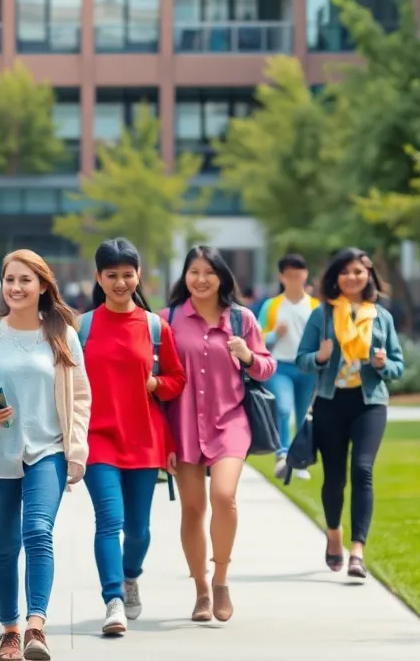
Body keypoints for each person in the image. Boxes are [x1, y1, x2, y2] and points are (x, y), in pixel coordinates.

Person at [0, 249, 91, 660]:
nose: (15, 287)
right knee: (4, 547)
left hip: (46, 452)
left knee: (37, 533)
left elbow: (81, 396)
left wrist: (76, 451)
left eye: (25, 280)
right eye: (9, 279)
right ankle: (10, 630)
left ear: (43, 286)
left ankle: (36, 626)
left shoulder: (62, 335)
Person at [161, 246, 275, 623]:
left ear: (222, 277)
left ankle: (222, 578)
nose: (201, 279)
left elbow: (266, 368)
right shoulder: (169, 319)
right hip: (183, 425)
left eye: (209, 272)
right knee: (193, 509)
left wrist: (246, 355)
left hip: (230, 422)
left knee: (224, 496)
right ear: (185, 277)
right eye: (193, 271)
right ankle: (202, 590)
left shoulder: (241, 319)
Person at [78, 238, 186, 636]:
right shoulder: (83, 327)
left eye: (128, 274)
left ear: (138, 275)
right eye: (112, 275)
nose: (121, 282)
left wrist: (156, 382)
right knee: (110, 520)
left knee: (138, 530)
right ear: (99, 278)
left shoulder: (156, 327)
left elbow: (178, 379)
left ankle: (130, 576)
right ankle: (114, 601)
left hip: (145, 440)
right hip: (98, 439)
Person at [295, 248, 405, 580]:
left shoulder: (381, 317)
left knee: (362, 469)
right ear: (335, 278)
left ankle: (357, 550)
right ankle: (333, 534)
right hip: (331, 402)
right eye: (344, 272)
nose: (352, 277)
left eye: (358, 271)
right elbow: (301, 359)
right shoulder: (323, 315)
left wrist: (385, 366)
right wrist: (320, 356)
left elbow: (399, 366)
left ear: (368, 275)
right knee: (334, 479)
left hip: (369, 403)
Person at [258, 254, 320, 481]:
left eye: (299, 274)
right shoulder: (271, 306)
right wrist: (274, 334)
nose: (295, 279)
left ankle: (299, 458)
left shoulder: (315, 306)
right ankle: (282, 454)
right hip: (279, 367)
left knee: (303, 415)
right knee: (283, 409)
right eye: (290, 275)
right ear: (282, 277)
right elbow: (257, 337)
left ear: (305, 275)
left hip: (307, 368)